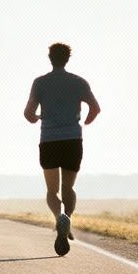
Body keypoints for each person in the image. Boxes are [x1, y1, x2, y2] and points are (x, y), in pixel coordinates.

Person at [23, 42, 99, 255]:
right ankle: (68, 218)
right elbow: (95, 108)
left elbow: (28, 113)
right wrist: (83, 123)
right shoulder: (78, 82)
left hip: (49, 140)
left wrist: (38, 117)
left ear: (50, 58)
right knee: (68, 189)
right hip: (73, 140)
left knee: (51, 191)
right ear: (67, 58)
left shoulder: (40, 83)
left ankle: (59, 218)